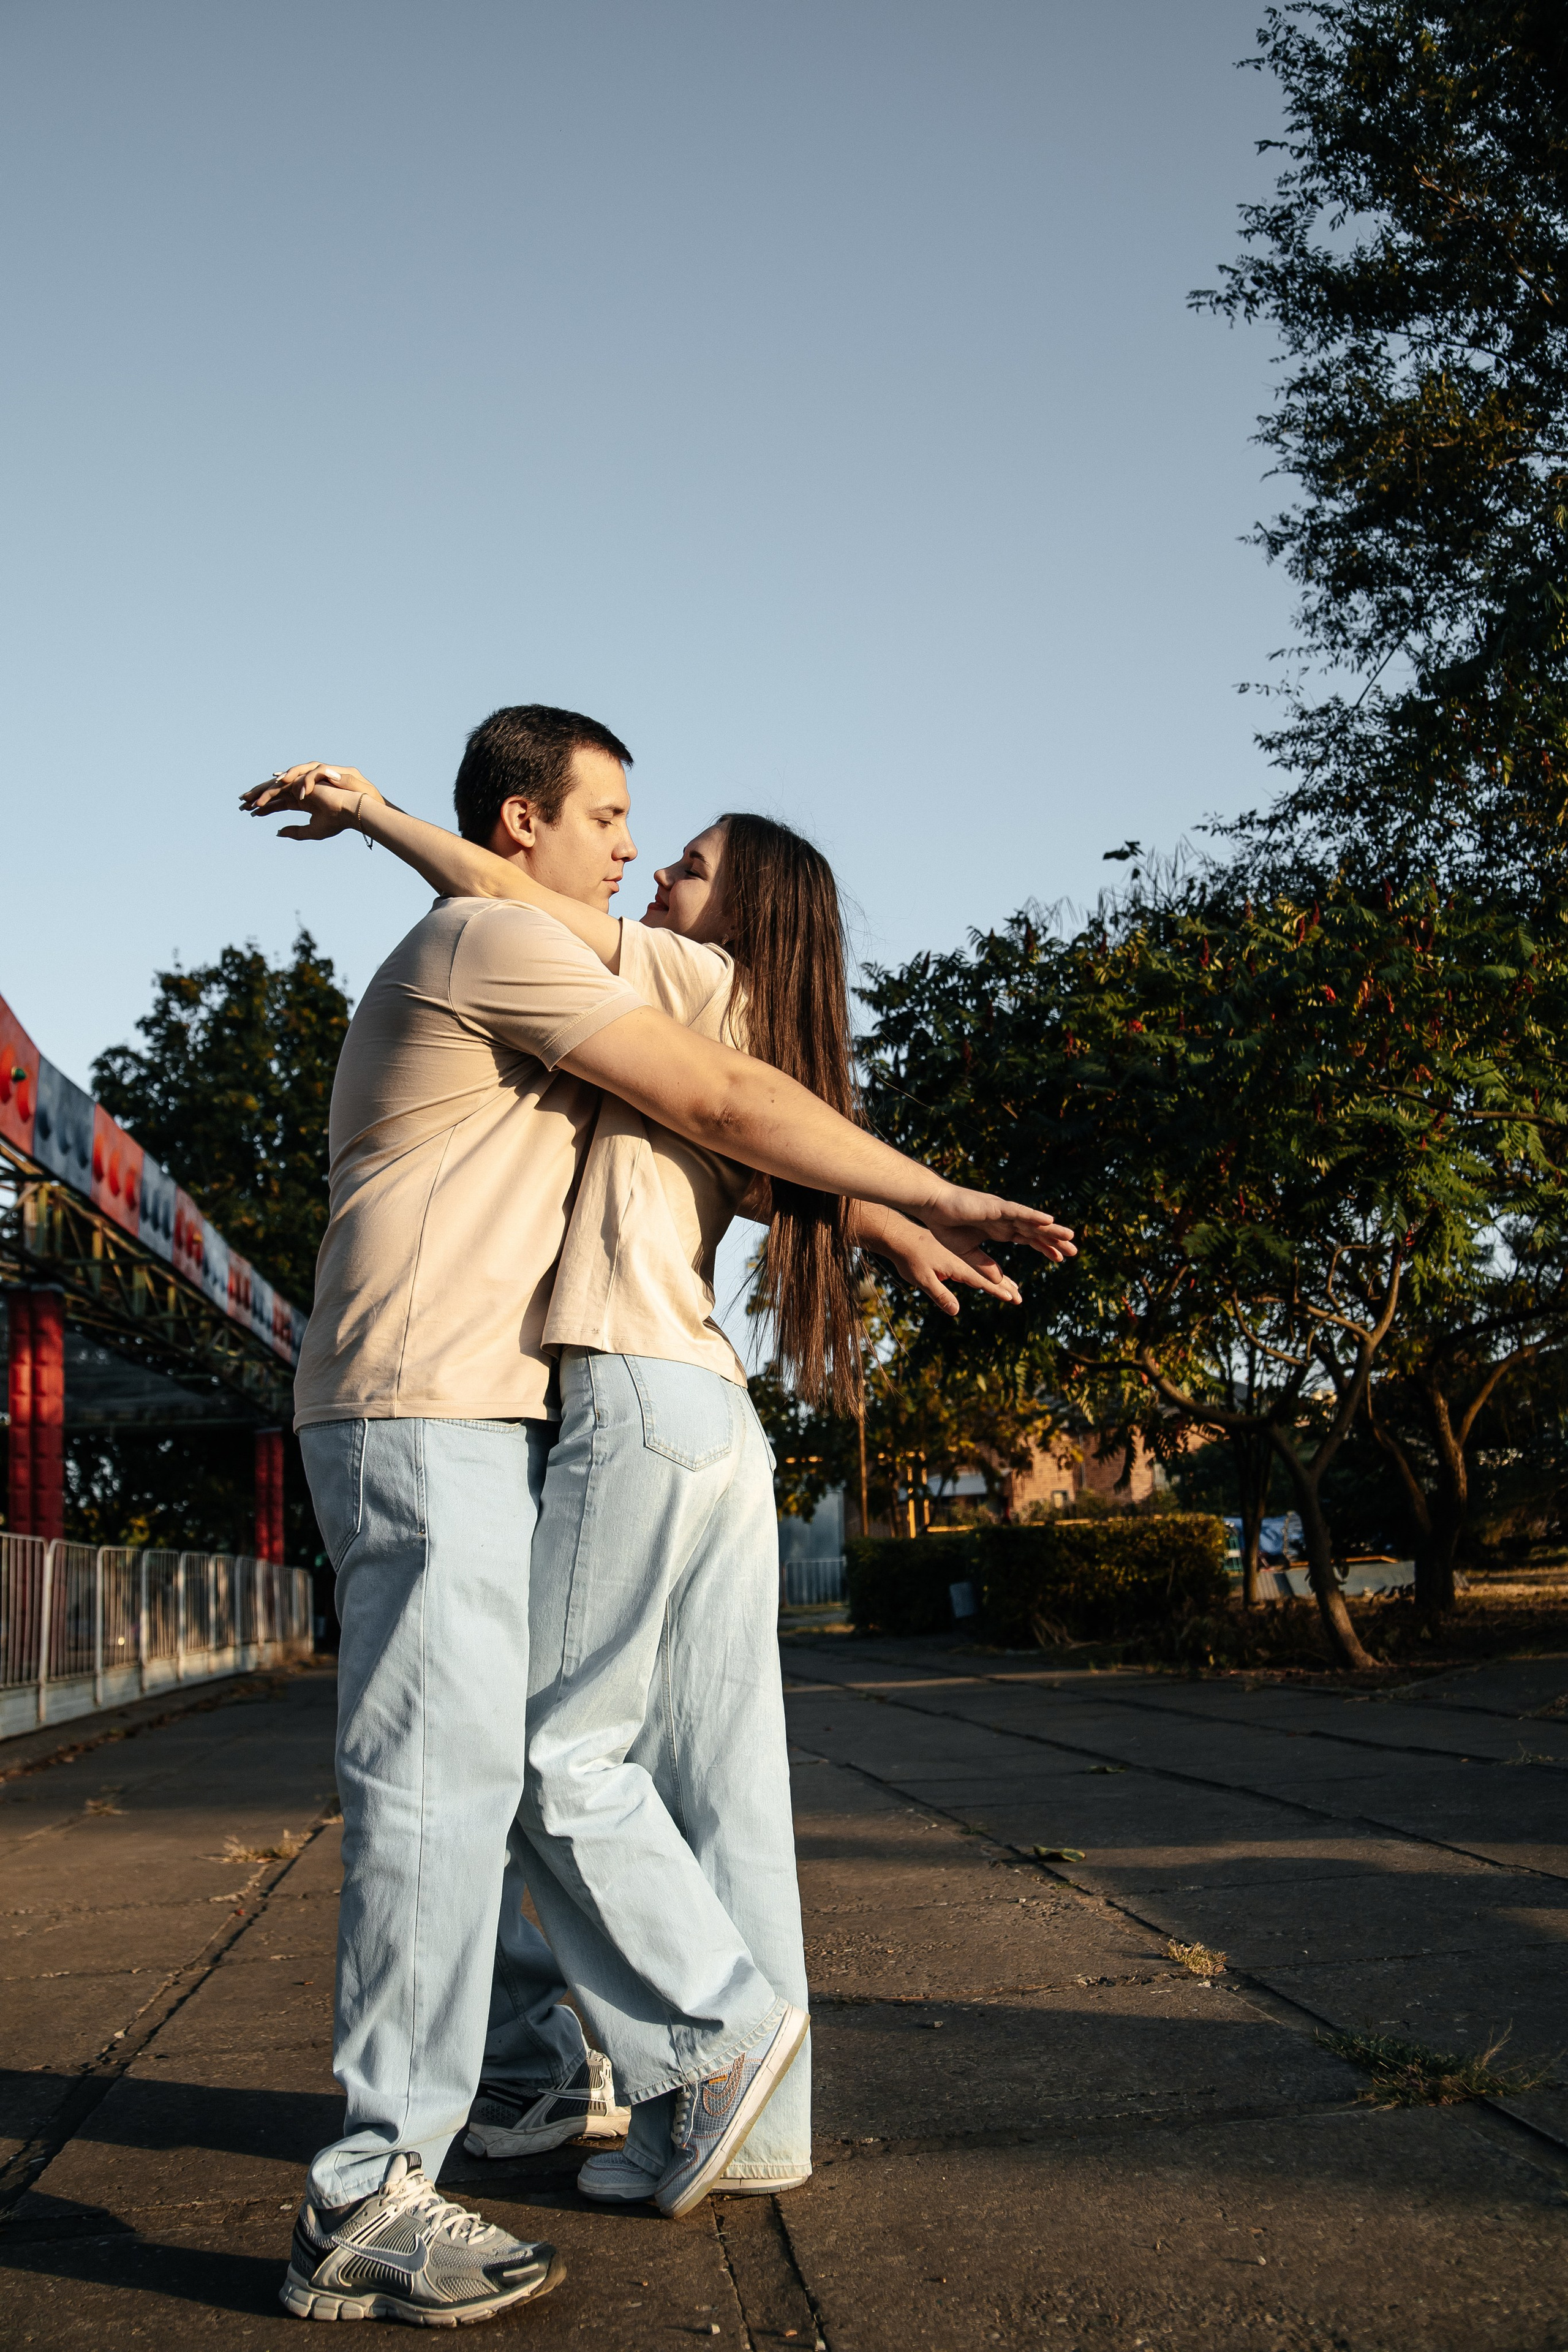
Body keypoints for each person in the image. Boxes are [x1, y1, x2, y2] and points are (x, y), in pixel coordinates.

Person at [244, 708, 1072, 2321]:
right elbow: (726, 1100)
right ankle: (412, 2174)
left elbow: (735, 1123)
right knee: (453, 1781)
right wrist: (935, 1194)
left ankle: (542, 2090)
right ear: (526, 824)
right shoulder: (497, 938)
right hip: (426, 1401)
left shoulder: (555, 949)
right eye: (615, 817)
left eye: (656, 837)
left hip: (475, 1404)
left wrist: (883, 1218)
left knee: (500, 1770)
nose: (635, 844)